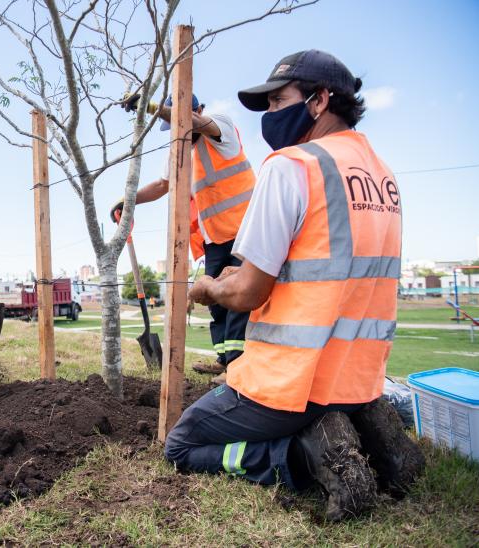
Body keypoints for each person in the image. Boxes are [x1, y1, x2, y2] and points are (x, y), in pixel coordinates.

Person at [164, 50, 424, 521]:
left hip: (295, 381)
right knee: (325, 404)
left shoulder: (293, 165)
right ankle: (369, 432)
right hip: (358, 376)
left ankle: (303, 457)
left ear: (320, 100)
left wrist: (208, 289)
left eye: (278, 100)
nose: (269, 114)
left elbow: (248, 293)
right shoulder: (382, 176)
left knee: (181, 445)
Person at [112, 94, 255, 379]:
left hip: (246, 230)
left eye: (180, 122)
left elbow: (193, 122)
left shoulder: (221, 130)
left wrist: (151, 107)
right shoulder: (179, 153)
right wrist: (128, 200)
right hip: (214, 237)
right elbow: (163, 185)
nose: (179, 132)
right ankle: (224, 358)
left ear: (199, 110)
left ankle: (238, 366)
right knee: (214, 300)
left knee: (237, 297)